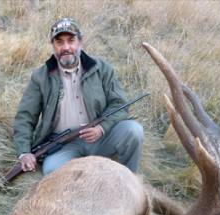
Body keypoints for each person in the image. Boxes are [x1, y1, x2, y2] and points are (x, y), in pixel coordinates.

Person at [13, 17, 144, 176]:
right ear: (53, 46)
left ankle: (130, 179)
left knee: (133, 131)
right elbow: (25, 116)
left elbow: (119, 104)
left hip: (100, 137)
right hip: (63, 145)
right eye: (59, 42)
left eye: (71, 41)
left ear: (80, 43)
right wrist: (24, 152)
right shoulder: (40, 77)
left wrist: (102, 128)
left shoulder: (102, 69)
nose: (66, 47)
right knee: (52, 171)